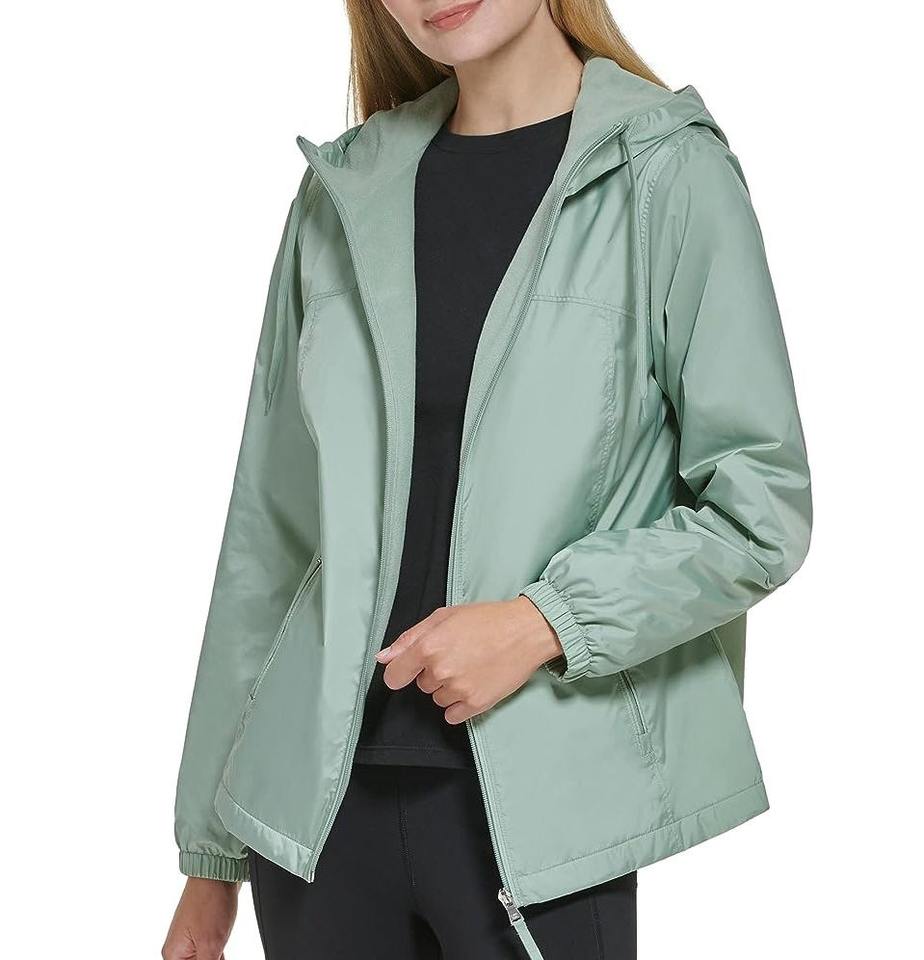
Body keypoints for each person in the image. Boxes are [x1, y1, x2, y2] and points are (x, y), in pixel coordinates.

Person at [163, 2, 813, 958]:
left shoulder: (666, 172)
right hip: (314, 827)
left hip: (541, 824)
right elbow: (269, 534)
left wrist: (542, 622)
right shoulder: (344, 192)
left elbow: (759, 509)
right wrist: (211, 854)